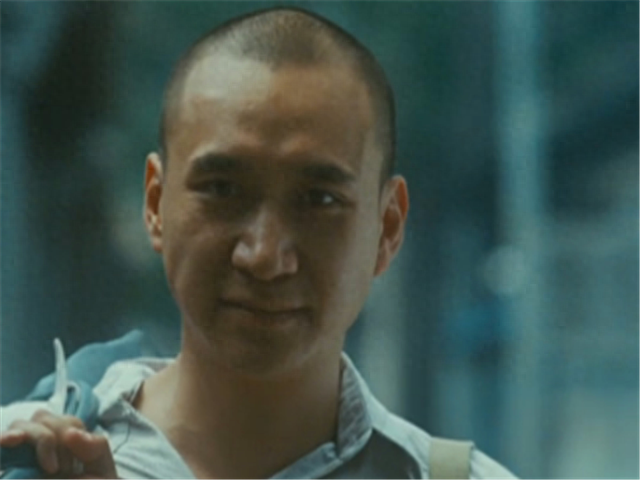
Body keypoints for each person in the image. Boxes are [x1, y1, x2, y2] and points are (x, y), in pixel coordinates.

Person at [0, 7, 515, 479]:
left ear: (388, 227)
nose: (265, 256)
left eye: (319, 200)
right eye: (222, 190)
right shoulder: (30, 458)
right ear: (156, 203)